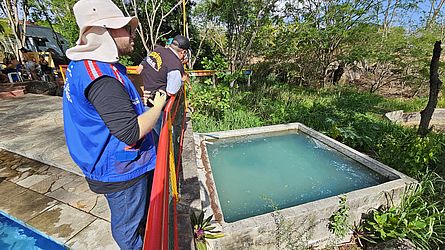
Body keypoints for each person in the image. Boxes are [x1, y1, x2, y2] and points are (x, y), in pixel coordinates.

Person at [62, 0, 167, 248]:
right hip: (119, 169)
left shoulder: (90, 65)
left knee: (134, 218)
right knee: (127, 227)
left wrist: (135, 102)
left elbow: (111, 109)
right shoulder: (101, 78)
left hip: (109, 159)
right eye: (127, 29)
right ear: (105, 31)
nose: (133, 35)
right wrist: (158, 106)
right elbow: (130, 132)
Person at [136, 34, 190, 138]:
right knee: (155, 141)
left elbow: (142, 66)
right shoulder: (174, 64)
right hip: (153, 106)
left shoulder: (158, 51)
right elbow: (171, 90)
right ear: (183, 52)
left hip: (140, 97)